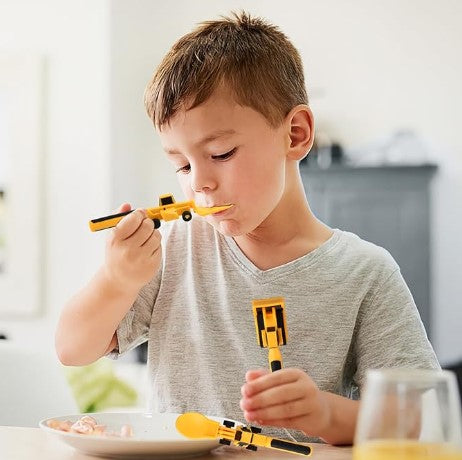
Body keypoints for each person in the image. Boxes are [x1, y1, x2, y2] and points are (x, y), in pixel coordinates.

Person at [56, 11, 439, 445]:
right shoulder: (175, 248)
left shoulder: (366, 273)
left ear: (295, 134)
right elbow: (72, 348)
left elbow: (420, 419)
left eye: (221, 153)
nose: (198, 181)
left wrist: (326, 414)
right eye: (181, 164)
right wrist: (116, 279)